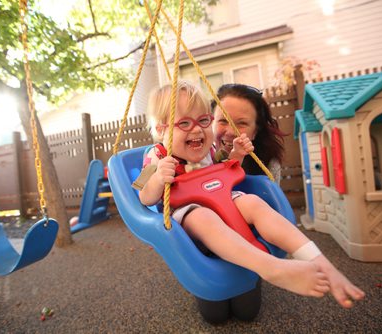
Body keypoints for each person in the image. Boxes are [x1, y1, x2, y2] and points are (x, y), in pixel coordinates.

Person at [135, 81, 365, 308]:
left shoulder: (210, 150)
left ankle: (321, 263)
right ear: (161, 130)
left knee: (253, 201)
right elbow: (143, 196)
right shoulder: (155, 155)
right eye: (184, 123)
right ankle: (271, 268)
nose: (197, 129)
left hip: (224, 203)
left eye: (204, 120)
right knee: (202, 217)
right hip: (188, 217)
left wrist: (237, 156)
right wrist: (156, 179)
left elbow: (224, 172)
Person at [211, 83, 284, 181]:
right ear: (211, 122)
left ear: (255, 131)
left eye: (242, 123)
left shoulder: (266, 164)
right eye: (223, 121)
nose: (231, 132)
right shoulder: (201, 159)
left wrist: (235, 162)